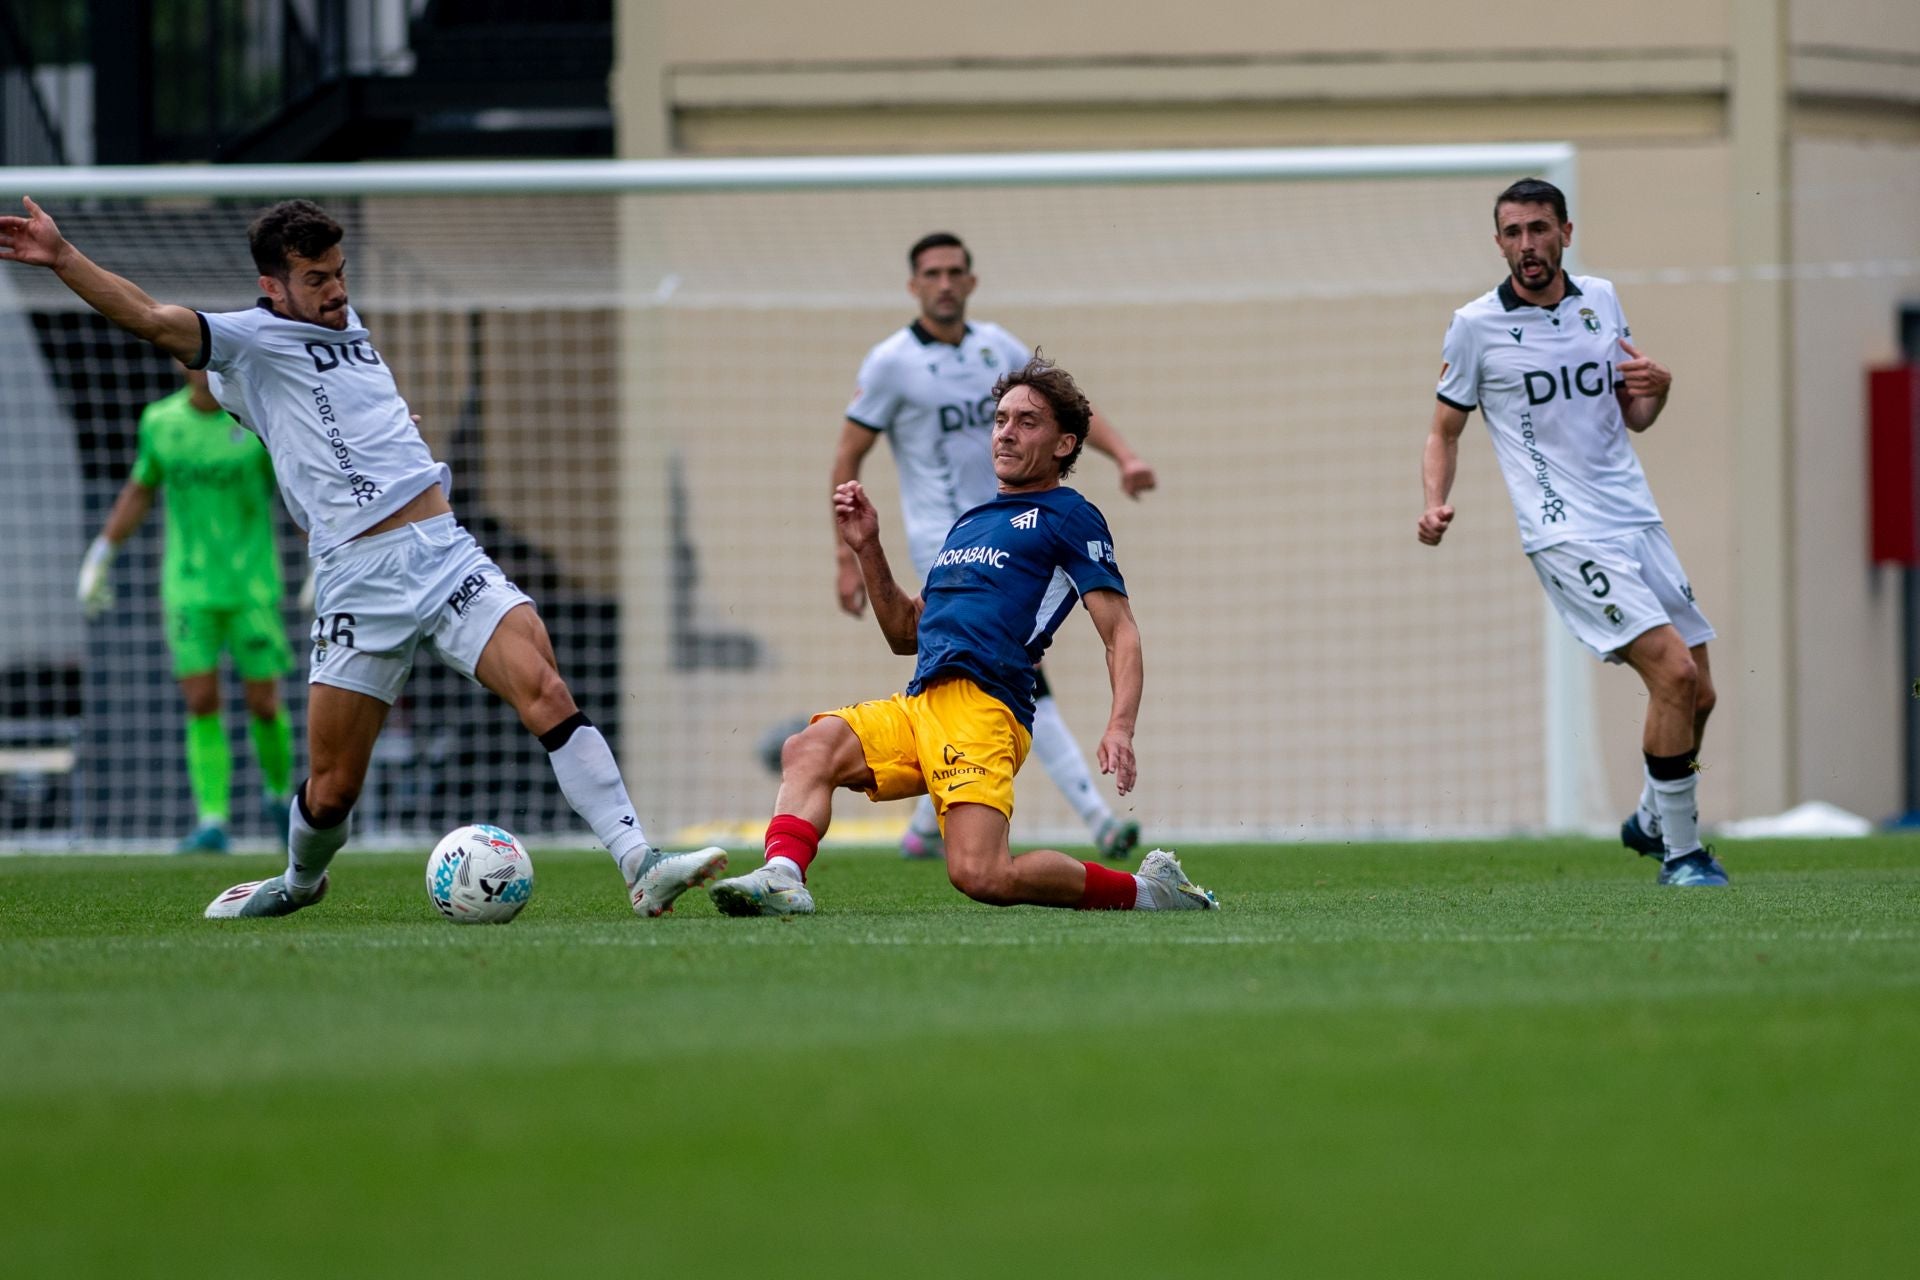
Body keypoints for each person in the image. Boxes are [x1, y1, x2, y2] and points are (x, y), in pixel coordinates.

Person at [2, 196, 727, 917]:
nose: (337, 290)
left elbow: (344, 413)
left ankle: (640, 862)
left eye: (339, 272)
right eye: (316, 278)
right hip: (359, 578)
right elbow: (152, 319)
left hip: (444, 552)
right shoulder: (249, 343)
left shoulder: (346, 326)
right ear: (272, 289)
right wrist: (63, 257)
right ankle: (295, 881)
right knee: (333, 788)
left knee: (546, 689)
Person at [710, 354, 1218, 916]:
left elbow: (1120, 631)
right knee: (809, 747)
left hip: (986, 710)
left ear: (1064, 445)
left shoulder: (1069, 516)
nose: (1006, 432)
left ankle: (1148, 893)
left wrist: (1120, 726)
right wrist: (867, 547)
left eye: (1027, 421)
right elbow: (907, 633)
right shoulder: (970, 522)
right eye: (1000, 419)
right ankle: (782, 875)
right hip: (920, 701)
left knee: (983, 875)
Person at [1418, 178, 1726, 886]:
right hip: (1564, 531)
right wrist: (1434, 502)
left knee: (1699, 693)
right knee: (1673, 674)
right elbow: (1443, 429)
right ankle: (1682, 855)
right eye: (1514, 233)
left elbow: (1632, 415)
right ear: (1499, 243)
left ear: (1566, 231)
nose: (1528, 246)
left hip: (1634, 516)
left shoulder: (1602, 300)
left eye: (1539, 230)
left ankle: (1653, 817)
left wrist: (1661, 389)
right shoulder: (1475, 327)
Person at [833, 232, 1157, 862]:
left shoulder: (995, 348)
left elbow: (1072, 408)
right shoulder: (890, 362)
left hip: (1018, 535)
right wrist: (846, 556)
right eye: (932, 273)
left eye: (956, 271)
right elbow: (848, 454)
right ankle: (1082, 818)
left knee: (989, 673)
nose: (945, 283)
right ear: (915, 285)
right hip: (946, 543)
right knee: (970, 673)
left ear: (971, 281)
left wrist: (1126, 455)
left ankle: (1065, 819)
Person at [78, 362, 297, 853]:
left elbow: (293, 489)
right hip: (188, 587)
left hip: (252, 588)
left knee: (263, 702)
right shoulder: (160, 421)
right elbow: (141, 488)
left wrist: (324, 558)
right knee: (200, 700)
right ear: (180, 363)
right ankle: (212, 819)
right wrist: (101, 555)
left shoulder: (251, 421)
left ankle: (278, 795)